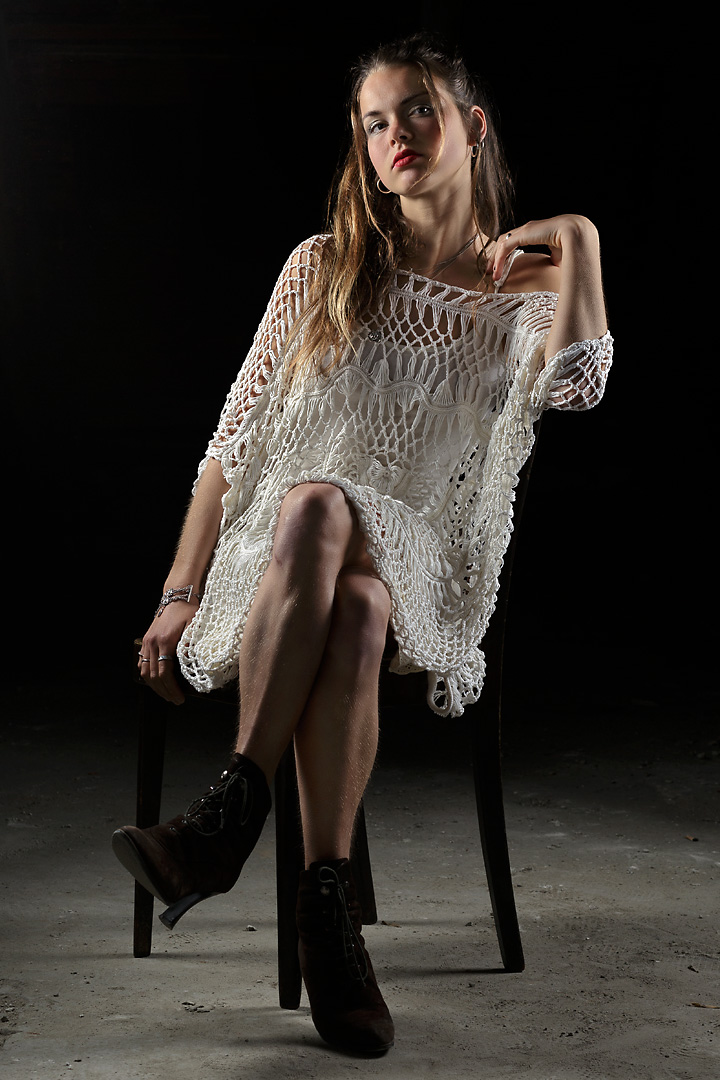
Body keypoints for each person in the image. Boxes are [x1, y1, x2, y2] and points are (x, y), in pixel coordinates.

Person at [112, 32, 612, 1055]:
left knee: (340, 521)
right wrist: (178, 591)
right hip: (284, 566)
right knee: (344, 582)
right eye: (375, 121)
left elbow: (581, 385)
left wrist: (581, 238)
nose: (397, 136)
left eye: (418, 110)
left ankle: (224, 821)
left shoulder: (524, 294)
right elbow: (226, 452)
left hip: (430, 558)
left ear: (472, 126)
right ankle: (329, 921)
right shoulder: (323, 269)